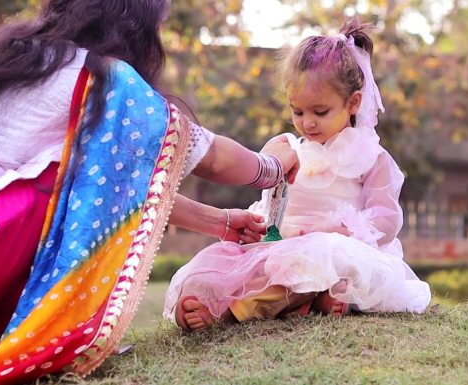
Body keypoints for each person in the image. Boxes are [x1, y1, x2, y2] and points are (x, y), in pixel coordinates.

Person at [0, 0, 298, 383]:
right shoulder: (106, 79)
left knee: (68, 184)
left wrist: (221, 221)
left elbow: (117, 185)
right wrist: (274, 168)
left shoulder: (22, 57)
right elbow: (210, 156)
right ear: (136, 23)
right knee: (50, 193)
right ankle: (61, 335)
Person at [164, 17, 431, 332]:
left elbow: (385, 222)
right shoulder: (289, 150)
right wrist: (263, 227)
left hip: (336, 250)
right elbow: (271, 205)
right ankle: (289, 301)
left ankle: (233, 312)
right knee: (221, 267)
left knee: (316, 261)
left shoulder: (371, 158)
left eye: (320, 112)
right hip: (283, 246)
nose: (307, 123)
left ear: (353, 103)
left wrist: (338, 231)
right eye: (297, 111)